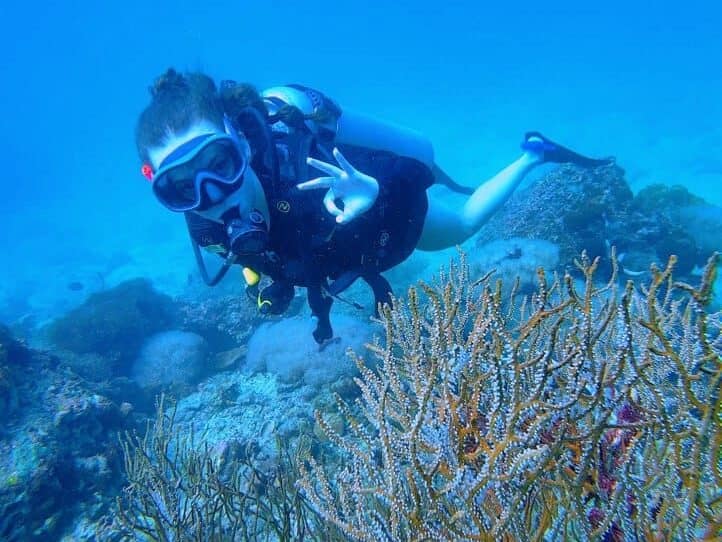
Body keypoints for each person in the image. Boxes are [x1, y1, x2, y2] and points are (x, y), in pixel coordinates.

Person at [135, 69, 613, 344]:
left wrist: (376, 194)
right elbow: (248, 253)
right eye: (181, 188)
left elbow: (406, 175)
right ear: (161, 191)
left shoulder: (303, 165)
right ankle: (533, 154)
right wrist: (261, 280)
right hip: (337, 245)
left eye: (218, 162)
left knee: (464, 224)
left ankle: (533, 153)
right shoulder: (205, 226)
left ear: (239, 140)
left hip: (381, 206)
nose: (212, 194)